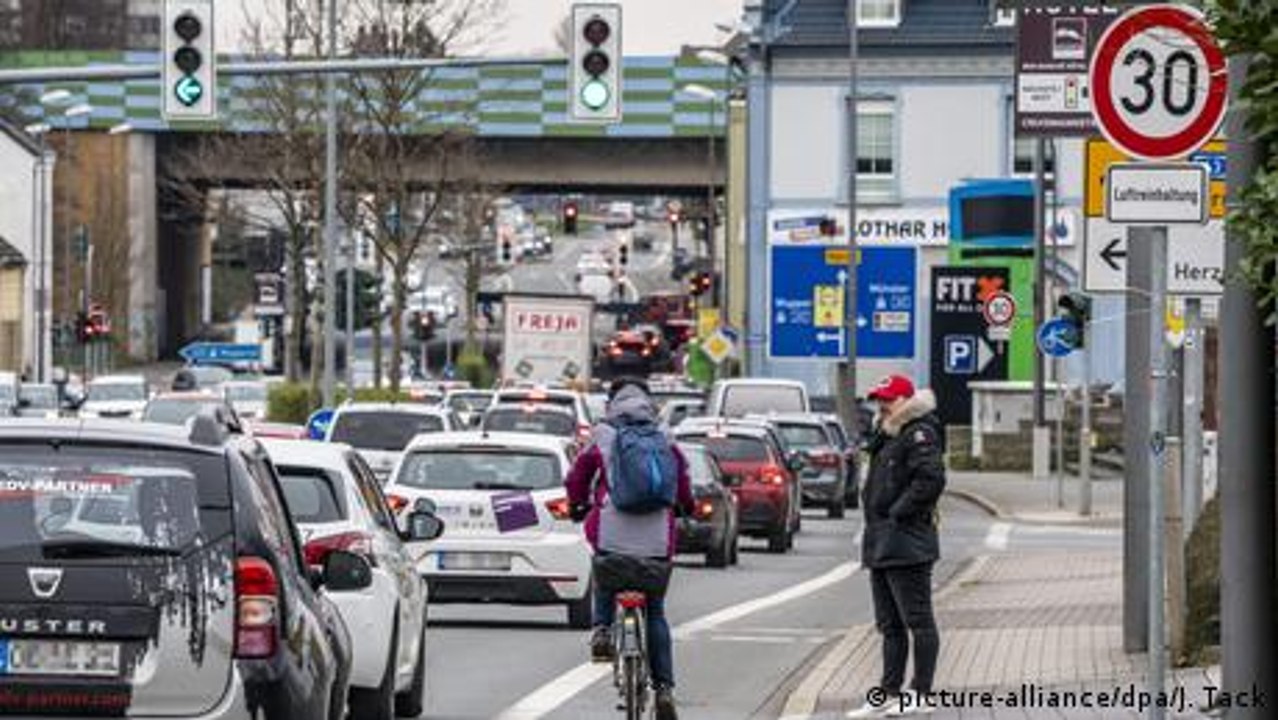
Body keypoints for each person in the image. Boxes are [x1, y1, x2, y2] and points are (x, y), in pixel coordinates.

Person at [565, 377, 695, 720]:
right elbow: (681, 480)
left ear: (612, 403)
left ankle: (603, 630)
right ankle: (664, 689)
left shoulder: (602, 435)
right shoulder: (665, 437)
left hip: (612, 529)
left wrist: (577, 504)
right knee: (655, 611)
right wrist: (686, 506)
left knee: (606, 575)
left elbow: (578, 477)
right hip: (656, 537)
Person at [847, 374, 946, 719]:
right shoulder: (887, 436)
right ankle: (888, 693)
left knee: (917, 620)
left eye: (888, 399)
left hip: (907, 541)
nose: (882, 405)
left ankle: (921, 692)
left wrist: (897, 514)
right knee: (889, 625)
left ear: (906, 400)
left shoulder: (918, 432)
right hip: (883, 542)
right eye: (878, 399)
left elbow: (931, 479)